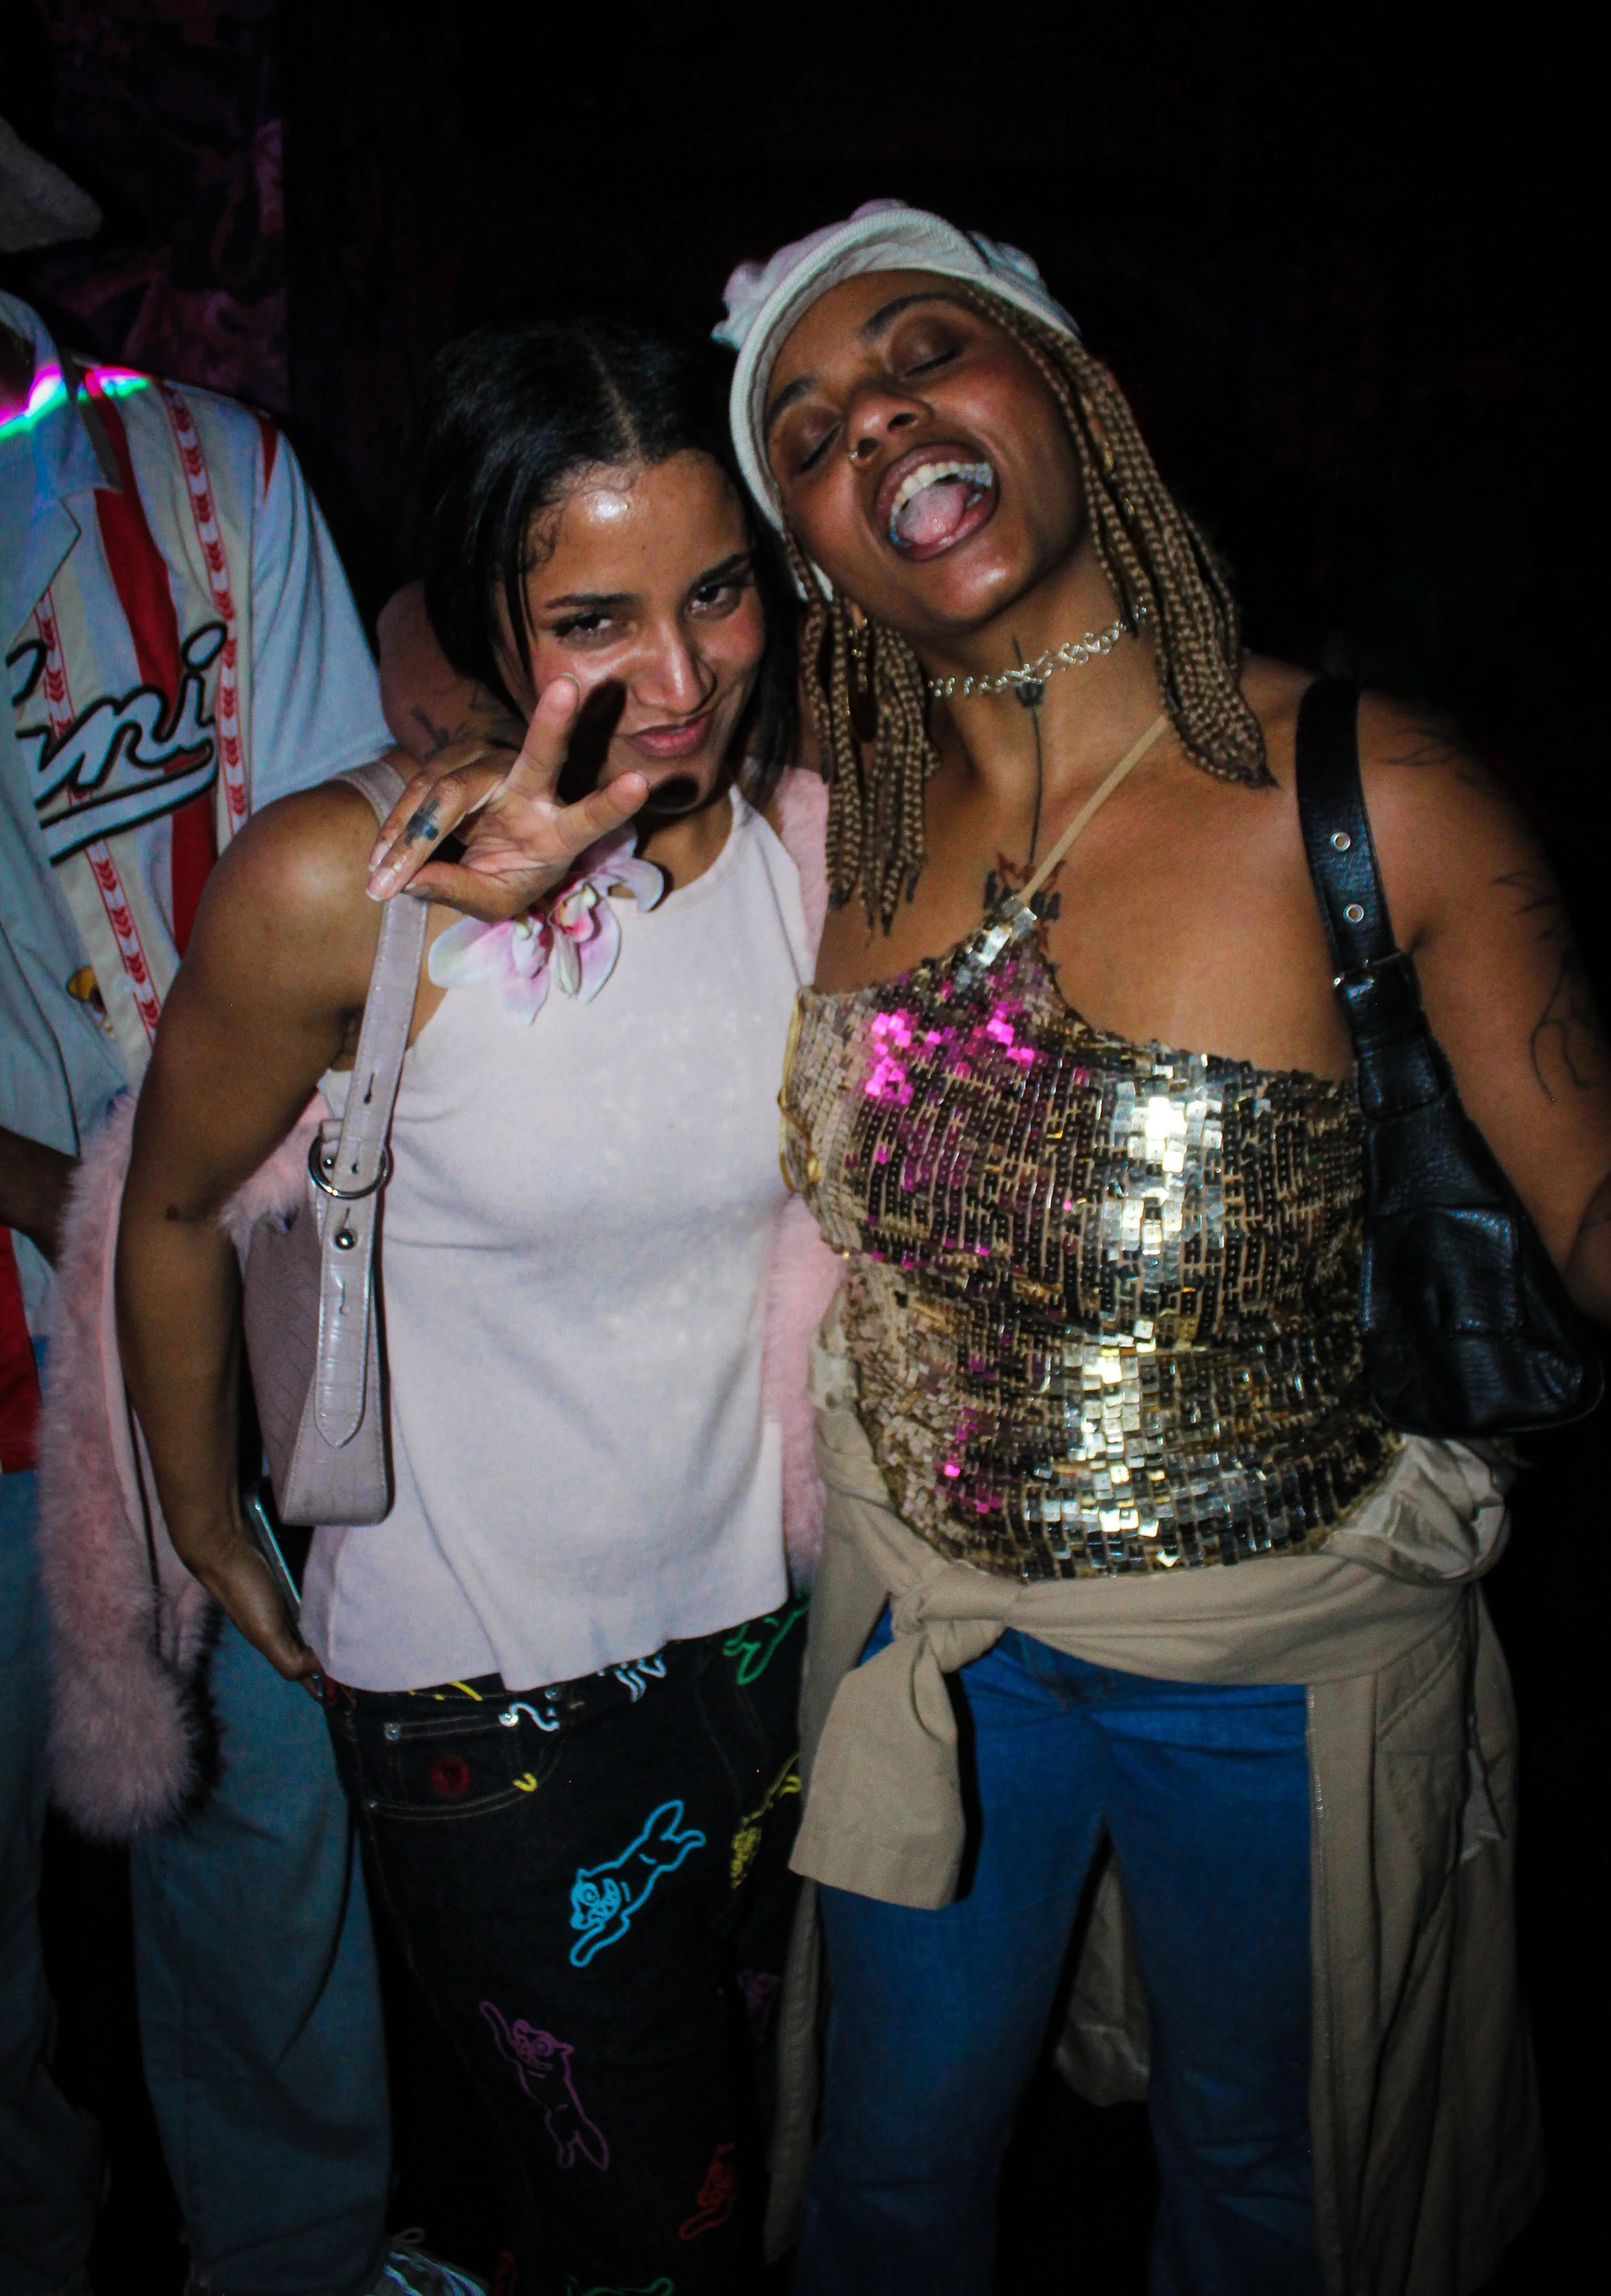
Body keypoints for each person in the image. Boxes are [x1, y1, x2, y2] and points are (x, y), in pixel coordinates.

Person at [702, 201, 1611, 2296]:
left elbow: (1605, 1223)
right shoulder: (811, 836)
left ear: (1074, 387)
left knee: (1262, 2193)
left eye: (924, 353)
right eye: (807, 431)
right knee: (884, 2169)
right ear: (809, 555)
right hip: (932, 1637)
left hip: (1272, 1651)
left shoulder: (1377, 788)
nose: (875, 423)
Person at [115, 315, 826, 2296]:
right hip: (486, 1704)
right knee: (653, 2234)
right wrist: (203, 1518)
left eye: (717, 593)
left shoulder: (806, 843)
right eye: (595, 618)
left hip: (773, 1645)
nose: (678, 678)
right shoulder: (347, 881)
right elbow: (167, 1206)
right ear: (481, 611)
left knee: (757, 2165)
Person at [0, 205, 486, 2296]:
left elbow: (333, 911)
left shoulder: (205, 470)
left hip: (217, 1307)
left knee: (269, 1842)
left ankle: (295, 2259)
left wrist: (153, 1221)